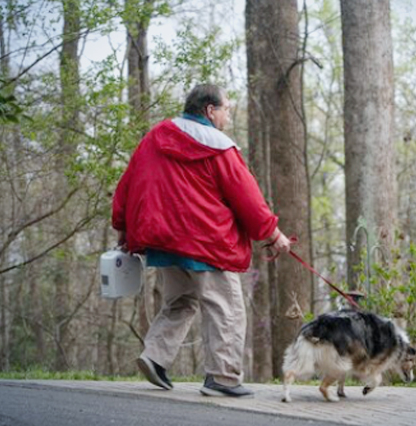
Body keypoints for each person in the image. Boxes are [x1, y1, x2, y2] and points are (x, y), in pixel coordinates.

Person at [112, 84, 291, 398]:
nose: (228, 117)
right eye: (226, 110)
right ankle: (222, 377)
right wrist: (273, 234)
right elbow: (247, 197)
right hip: (207, 242)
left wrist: (123, 228)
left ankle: (154, 356)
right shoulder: (219, 146)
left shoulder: (154, 137)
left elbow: (128, 184)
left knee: (180, 302)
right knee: (227, 308)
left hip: (164, 242)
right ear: (210, 110)